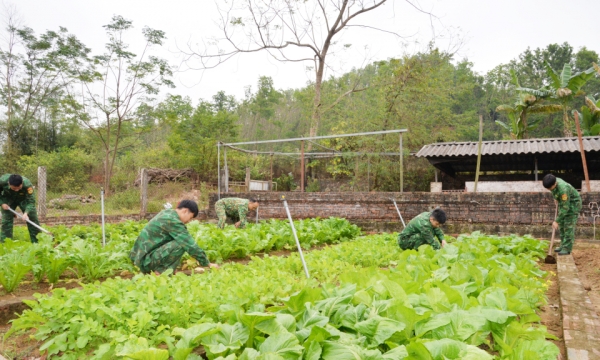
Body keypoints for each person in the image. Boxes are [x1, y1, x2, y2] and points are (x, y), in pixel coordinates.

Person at [129, 200, 219, 274]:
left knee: (177, 241)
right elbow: (190, 245)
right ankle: (160, 272)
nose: (189, 221)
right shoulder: (173, 221)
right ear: (185, 211)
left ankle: (169, 270)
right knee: (181, 243)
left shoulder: (167, 213)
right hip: (145, 262)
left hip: (141, 258)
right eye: (190, 218)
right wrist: (207, 263)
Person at [543, 174, 582, 255]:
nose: (549, 190)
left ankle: (567, 248)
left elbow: (565, 208)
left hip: (573, 205)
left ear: (554, 184)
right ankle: (563, 245)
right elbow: (555, 191)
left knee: (568, 227)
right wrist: (556, 198)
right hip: (565, 203)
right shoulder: (553, 181)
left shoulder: (563, 189)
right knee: (562, 226)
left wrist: (556, 221)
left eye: (550, 188)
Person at [0, 174, 41, 243]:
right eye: (14, 188)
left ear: (22, 183)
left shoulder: (27, 185)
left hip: (23, 199)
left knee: (32, 217)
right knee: (6, 220)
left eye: (19, 188)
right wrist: (2, 203)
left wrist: (26, 213)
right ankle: (6, 243)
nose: (16, 190)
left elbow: (31, 202)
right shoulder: (2, 181)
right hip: (8, 199)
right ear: (9, 183)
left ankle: (37, 242)